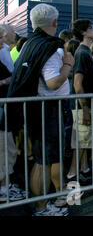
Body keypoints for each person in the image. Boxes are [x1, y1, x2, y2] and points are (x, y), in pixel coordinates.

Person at [6, 3, 74, 215]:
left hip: (38, 108)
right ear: (54, 22)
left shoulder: (29, 44)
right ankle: (42, 207)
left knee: (45, 158)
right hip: (49, 110)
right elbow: (53, 82)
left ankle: (49, 201)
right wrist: (68, 66)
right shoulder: (50, 47)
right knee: (43, 161)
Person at [67, 19, 93, 183]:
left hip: (86, 105)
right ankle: (73, 174)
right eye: (91, 28)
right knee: (80, 140)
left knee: (85, 139)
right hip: (82, 106)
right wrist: (85, 108)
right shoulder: (82, 53)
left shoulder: (85, 52)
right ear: (84, 33)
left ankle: (84, 168)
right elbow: (78, 84)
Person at [0, 25, 26, 203]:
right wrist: (7, 80)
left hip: (5, 110)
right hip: (2, 110)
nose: (3, 42)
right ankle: (3, 188)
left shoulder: (4, 53)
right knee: (5, 150)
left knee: (7, 149)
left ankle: (5, 185)